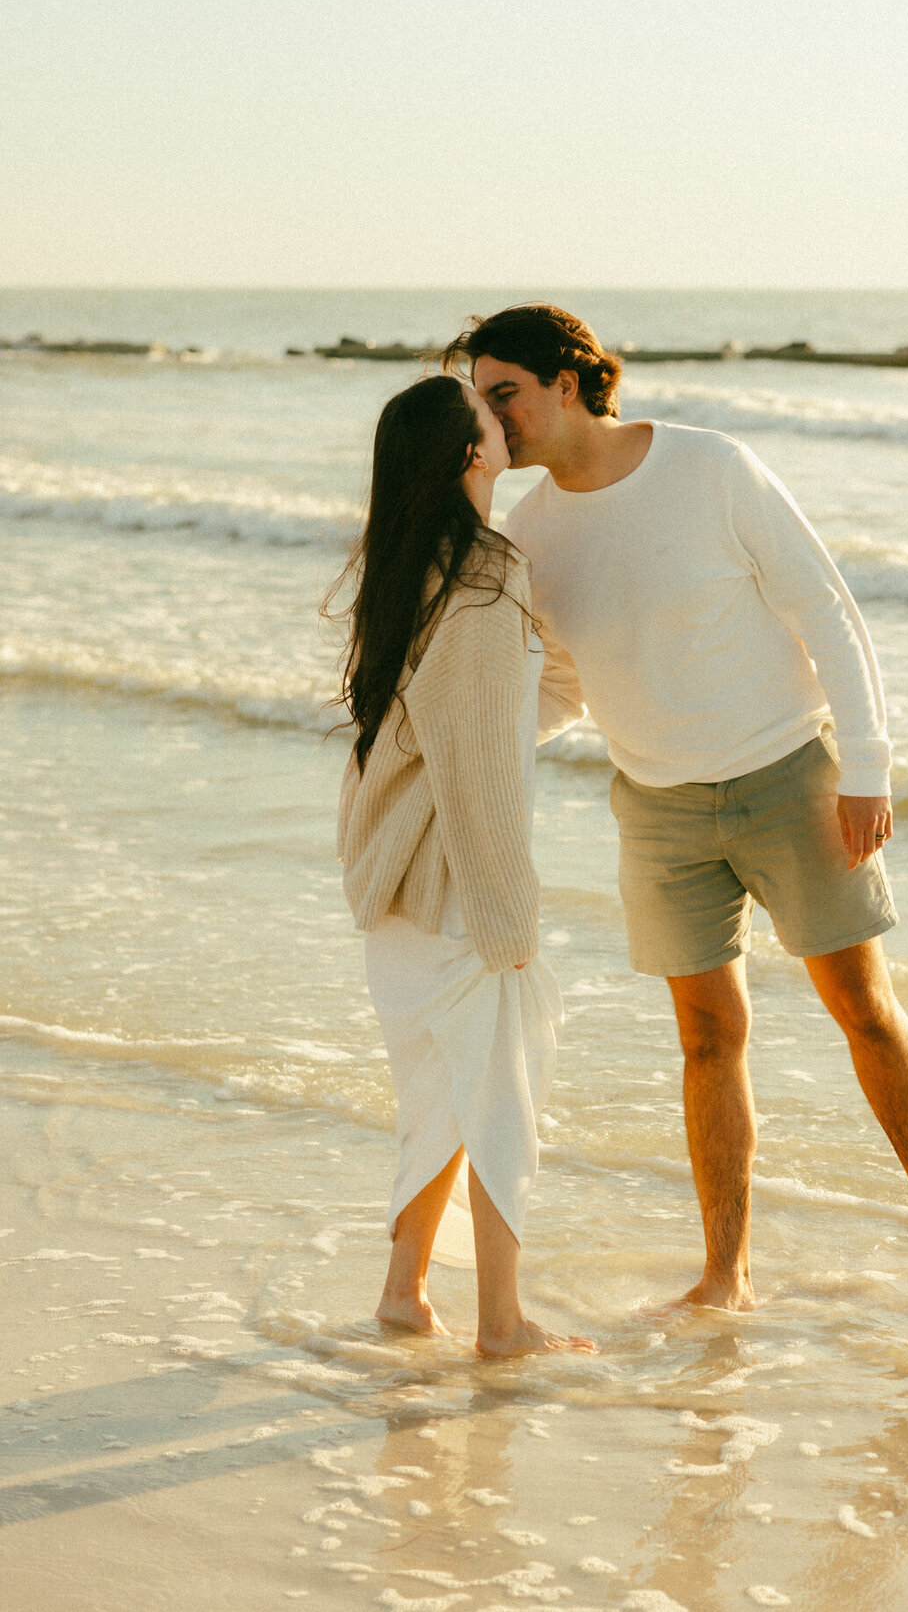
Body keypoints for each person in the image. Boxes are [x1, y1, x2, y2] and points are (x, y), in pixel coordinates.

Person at [444, 305, 908, 1318]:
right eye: (480, 399)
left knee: (862, 1010)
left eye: (503, 392)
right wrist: (471, 751)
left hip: (790, 774)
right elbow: (563, 684)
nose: (490, 417)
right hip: (657, 809)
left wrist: (868, 762)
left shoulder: (710, 468)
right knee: (707, 1036)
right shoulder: (529, 534)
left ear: (567, 382)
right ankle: (725, 1271)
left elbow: (822, 603)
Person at [330, 372, 594, 1356]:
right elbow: (480, 774)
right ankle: (502, 1319)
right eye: (489, 414)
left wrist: (541, 637)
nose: (504, 419)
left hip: (392, 883)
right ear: (472, 453)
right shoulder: (483, 581)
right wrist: (508, 919)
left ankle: (404, 1292)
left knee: (436, 1099)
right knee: (498, 1096)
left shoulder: (416, 562)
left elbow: (492, 716)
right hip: (450, 890)